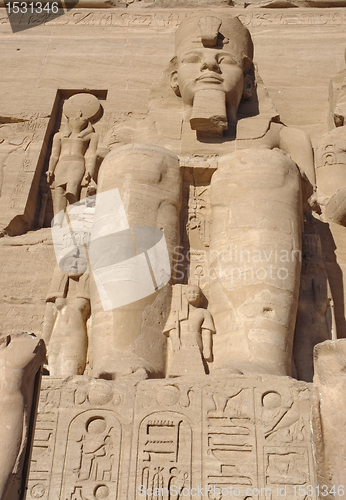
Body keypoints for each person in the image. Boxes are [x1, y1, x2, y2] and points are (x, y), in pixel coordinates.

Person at [46, 93, 100, 226]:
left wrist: (90, 170)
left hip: (77, 163)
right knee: (58, 191)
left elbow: (91, 154)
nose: (78, 117)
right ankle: (58, 222)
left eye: (82, 117)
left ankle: (72, 221)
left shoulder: (91, 136)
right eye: (74, 117)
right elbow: (54, 154)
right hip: (62, 164)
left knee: (72, 190)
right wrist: (50, 169)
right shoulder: (59, 136)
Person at [163, 285, 215, 377]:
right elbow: (171, 328)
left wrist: (207, 349)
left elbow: (207, 331)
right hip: (180, 341)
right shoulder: (176, 313)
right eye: (189, 292)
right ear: (185, 295)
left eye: (195, 292)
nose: (192, 294)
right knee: (177, 369)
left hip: (195, 340)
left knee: (196, 370)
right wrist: (175, 340)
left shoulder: (203, 312)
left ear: (200, 296)